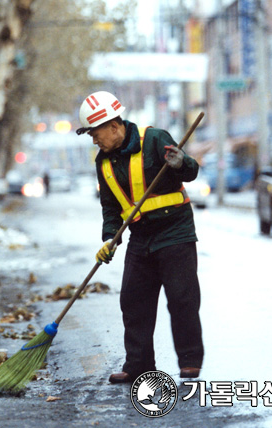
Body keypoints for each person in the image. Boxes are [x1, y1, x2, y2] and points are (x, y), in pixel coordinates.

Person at [76, 91, 204, 384]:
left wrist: (180, 163)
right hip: (140, 237)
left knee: (182, 299)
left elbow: (191, 172)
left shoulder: (155, 139)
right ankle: (139, 365)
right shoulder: (104, 163)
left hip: (175, 232)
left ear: (112, 125)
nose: (94, 140)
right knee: (133, 302)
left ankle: (190, 361)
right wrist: (110, 238)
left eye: (94, 133)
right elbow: (110, 206)